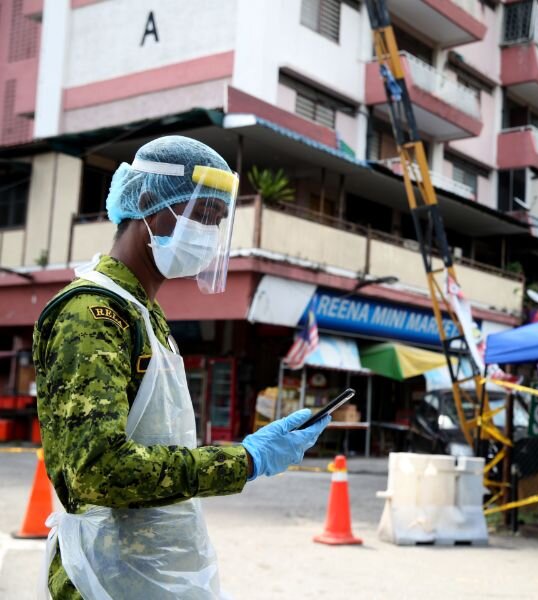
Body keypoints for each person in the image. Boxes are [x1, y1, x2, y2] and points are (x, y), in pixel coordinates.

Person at [34, 136, 331, 599]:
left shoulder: (143, 313)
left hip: (153, 570)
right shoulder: (91, 314)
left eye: (218, 223)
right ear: (151, 205)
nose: (209, 236)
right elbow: (101, 470)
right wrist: (245, 460)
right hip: (100, 576)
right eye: (202, 216)